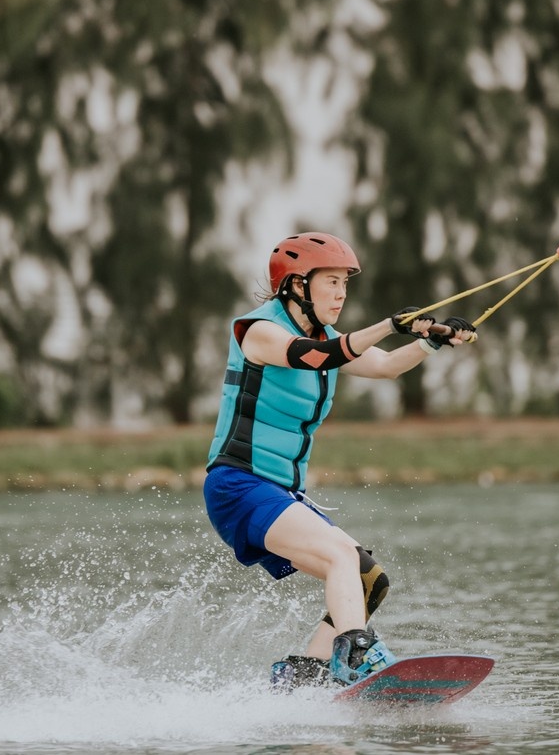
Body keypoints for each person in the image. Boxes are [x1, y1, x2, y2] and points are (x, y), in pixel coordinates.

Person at [203, 231, 478, 689]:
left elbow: (385, 367)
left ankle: (304, 675)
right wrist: (391, 324)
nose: (340, 293)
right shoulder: (259, 332)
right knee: (337, 557)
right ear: (296, 285)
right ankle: (357, 653)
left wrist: (433, 340)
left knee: (369, 578)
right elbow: (318, 357)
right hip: (238, 485)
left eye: (345, 284)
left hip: (278, 490)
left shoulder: (328, 337)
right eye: (330, 281)